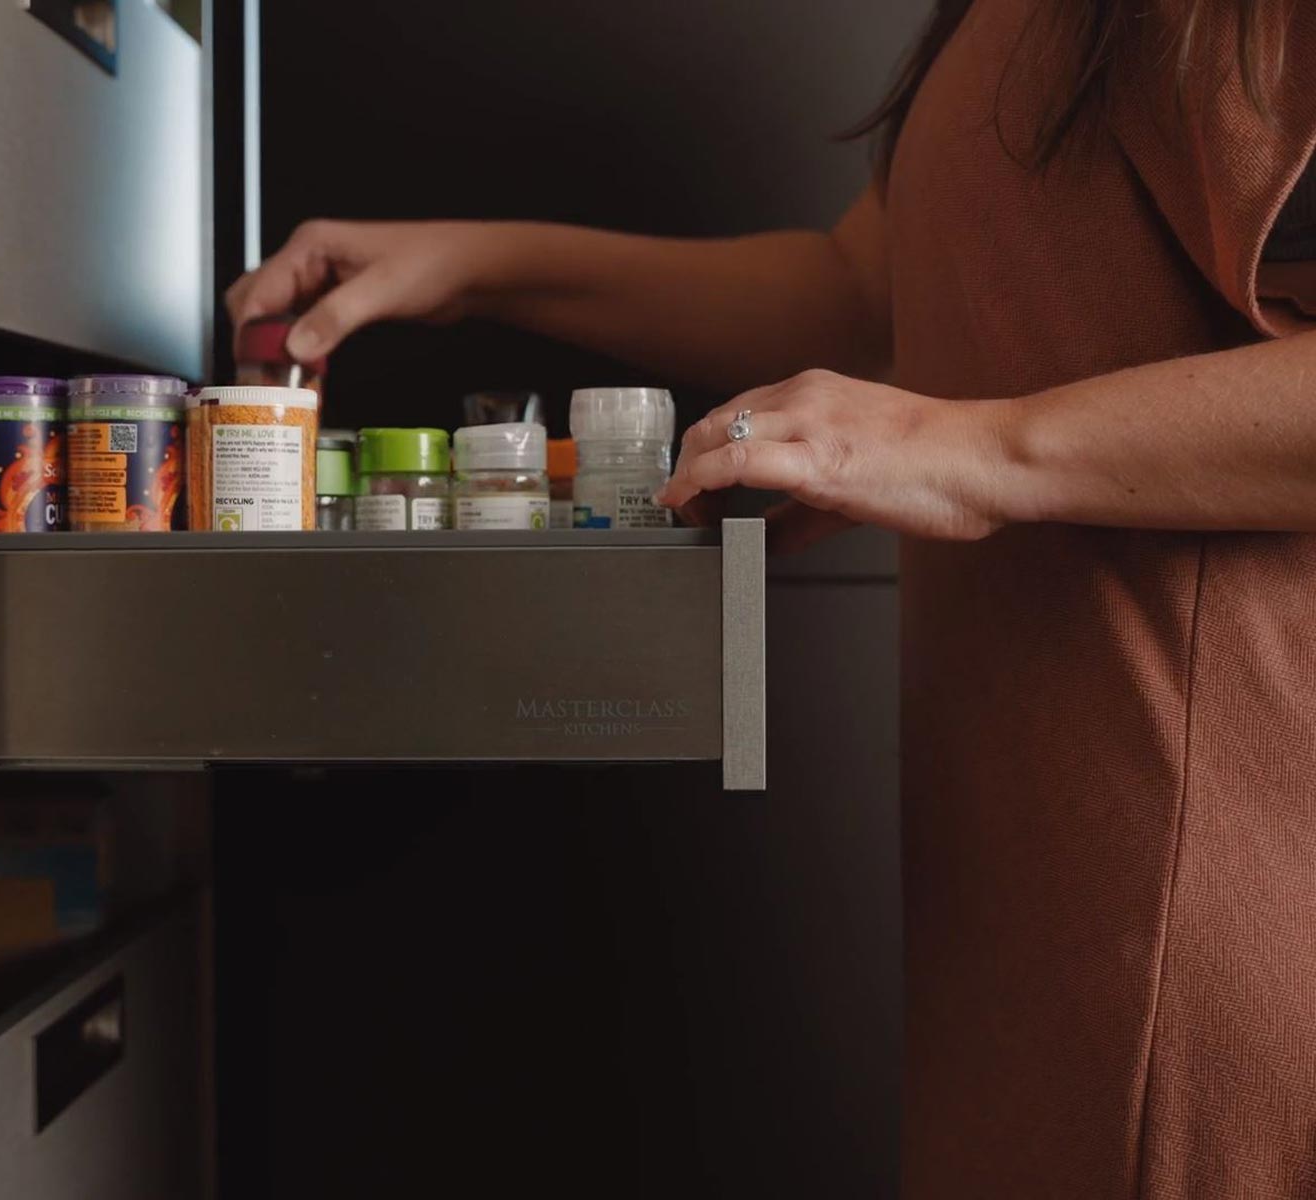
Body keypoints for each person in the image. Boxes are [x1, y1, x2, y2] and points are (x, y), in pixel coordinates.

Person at [227, 1, 1316, 1193]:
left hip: (1211, 927)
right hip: (1035, 915)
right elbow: (857, 283)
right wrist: (476, 267)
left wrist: (980, 447)